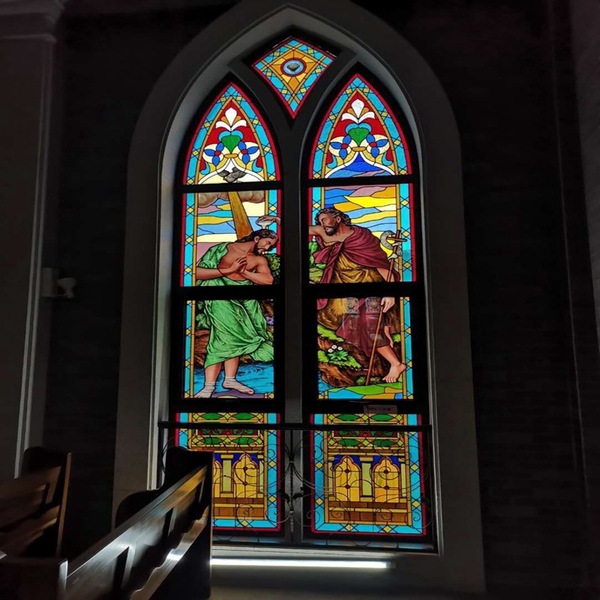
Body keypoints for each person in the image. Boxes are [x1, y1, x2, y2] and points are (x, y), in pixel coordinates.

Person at [309, 208, 406, 383]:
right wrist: (278, 220)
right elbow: (303, 229)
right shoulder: (331, 239)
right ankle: (383, 338)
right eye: (320, 221)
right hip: (348, 297)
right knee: (351, 326)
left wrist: (390, 292)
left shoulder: (362, 239)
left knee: (368, 324)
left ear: (338, 218)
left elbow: (382, 267)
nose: (322, 224)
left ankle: (396, 363)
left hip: (372, 291)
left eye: (325, 219)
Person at [194, 229, 277, 398]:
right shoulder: (221, 249)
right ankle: (209, 386)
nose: (268, 248)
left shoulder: (259, 260)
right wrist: (228, 270)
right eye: (268, 243)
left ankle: (229, 379)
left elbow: (268, 281)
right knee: (222, 337)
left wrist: (244, 272)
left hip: (245, 304)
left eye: (272, 246)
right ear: (256, 238)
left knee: (235, 339)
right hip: (219, 298)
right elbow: (198, 272)